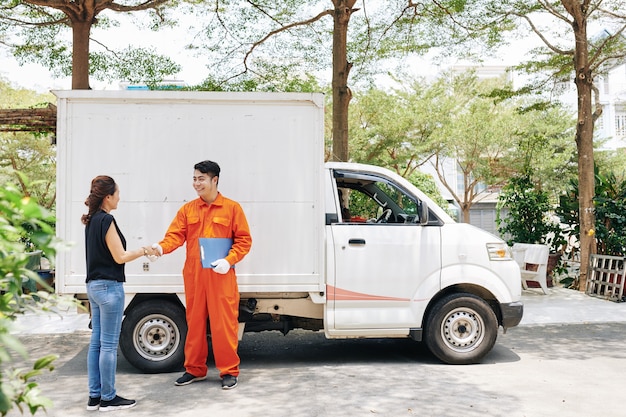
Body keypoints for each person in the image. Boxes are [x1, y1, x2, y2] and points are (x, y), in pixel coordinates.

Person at [153, 160, 252, 390]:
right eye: (194, 178)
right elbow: (175, 236)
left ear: (214, 180)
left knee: (224, 325)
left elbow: (244, 240)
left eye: (201, 179)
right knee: (194, 324)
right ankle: (194, 369)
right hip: (195, 275)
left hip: (221, 277)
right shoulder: (188, 210)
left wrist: (229, 261)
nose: (196, 183)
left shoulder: (232, 208)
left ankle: (228, 371)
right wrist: (160, 248)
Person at [82, 175, 158, 412]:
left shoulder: (92, 220)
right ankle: (108, 398)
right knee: (108, 345)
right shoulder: (107, 220)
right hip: (109, 288)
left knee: (96, 344)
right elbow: (120, 256)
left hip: (93, 287)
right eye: (117, 193)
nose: (119, 197)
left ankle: (95, 397)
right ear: (108, 196)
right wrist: (144, 250)